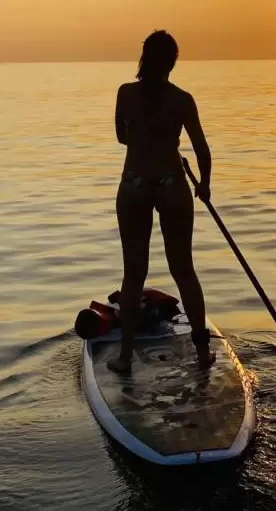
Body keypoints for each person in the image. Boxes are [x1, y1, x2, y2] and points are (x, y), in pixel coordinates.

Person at [107, 30, 214, 373]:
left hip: (134, 185)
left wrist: (144, 136)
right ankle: (201, 355)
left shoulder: (126, 93)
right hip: (172, 184)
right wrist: (205, 185)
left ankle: (124, 358)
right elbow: (201, 148)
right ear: (172, 63)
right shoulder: (182, 100)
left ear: (143, 59)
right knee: (184, 269)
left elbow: (122, 136)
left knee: (133, 274)